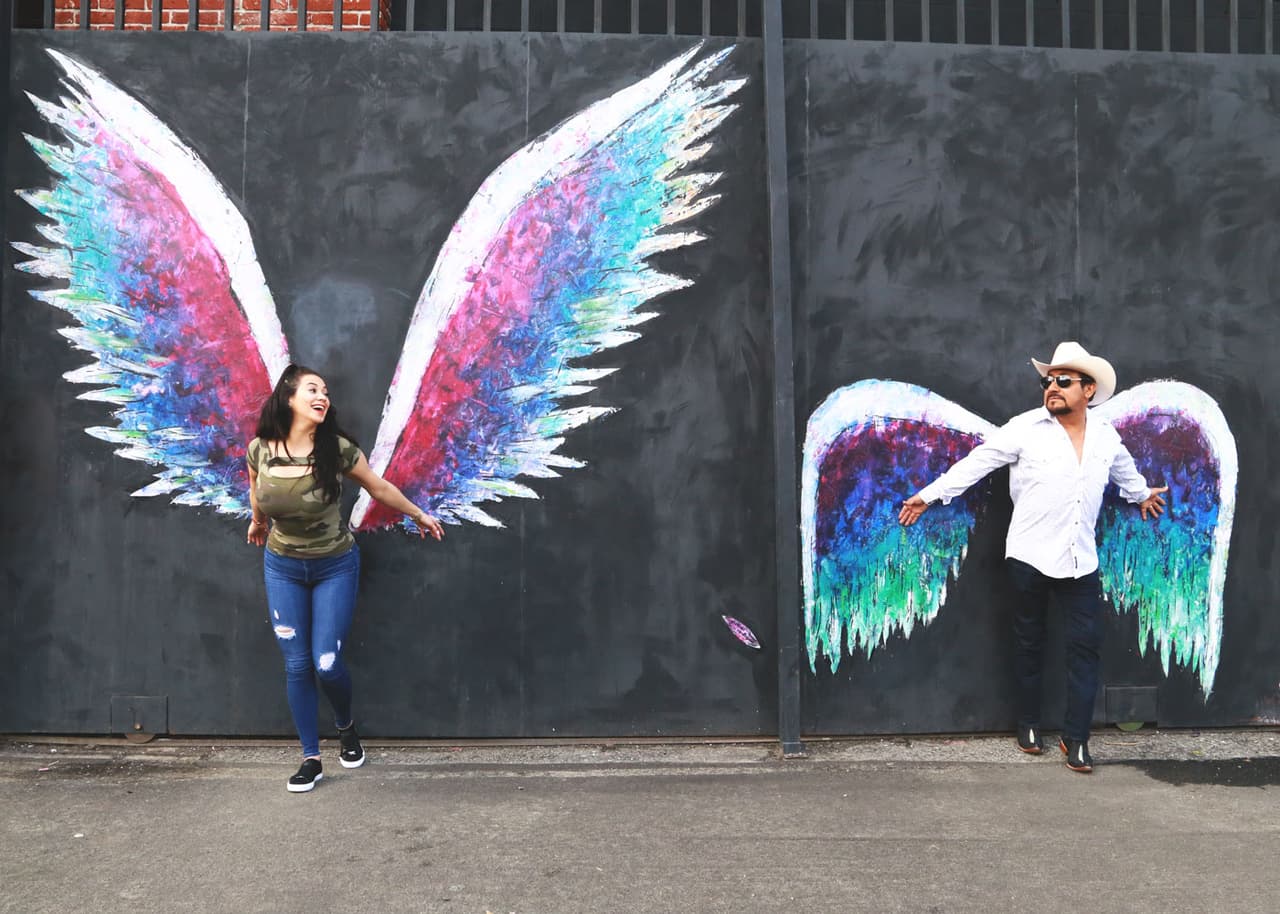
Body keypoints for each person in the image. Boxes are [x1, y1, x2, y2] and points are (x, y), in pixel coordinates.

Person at [898, 342, 1167, 773]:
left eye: (1063, 381)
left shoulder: (1106, 436)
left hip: (1080, 561)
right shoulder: (1024, 428)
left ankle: (1076, 739)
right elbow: (977, 464)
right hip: (1029, 556)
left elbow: (1125, 472)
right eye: (1048, 381)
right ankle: (1027, 723)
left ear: (1088, 389)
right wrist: (929, 496)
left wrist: (1141, 495)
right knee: (1029, 642)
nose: (1052, 387)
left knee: (1085, 649)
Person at [246, 364, 445, 793]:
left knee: (327, 663)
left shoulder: (336, 450)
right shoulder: (259, 449)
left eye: (326, 391)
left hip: (334, 565)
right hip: (282, 566)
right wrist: (257, 521)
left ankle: (345, 726)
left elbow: (379, 487)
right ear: (288, 397)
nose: (323, 397)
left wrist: (418, 514)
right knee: (297, 664)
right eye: (312, 389)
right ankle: (311, 758)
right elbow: (256, 487)